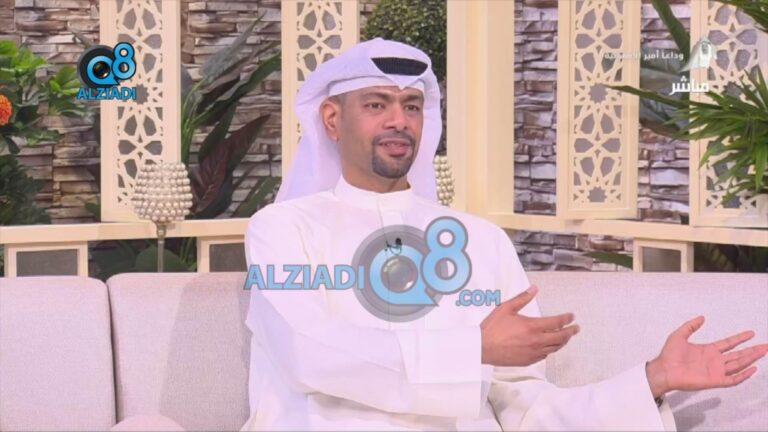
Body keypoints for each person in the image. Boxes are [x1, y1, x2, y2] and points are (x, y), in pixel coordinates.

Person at [241, 38, 767, 431]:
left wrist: (650, 380)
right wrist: (472, 347)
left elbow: (524, 407)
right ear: (332, 120)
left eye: (412, 106)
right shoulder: (281, 229)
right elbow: (307, 353)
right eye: (377, 104)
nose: (399, 121)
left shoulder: (480, 240)